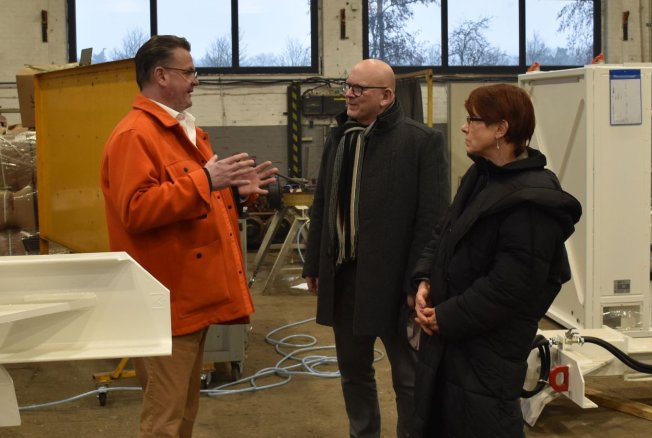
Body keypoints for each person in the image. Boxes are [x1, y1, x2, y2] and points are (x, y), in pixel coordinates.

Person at [100, 35, 278, 438]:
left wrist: (233, 191)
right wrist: (206, 179)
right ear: (161, 76)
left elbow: (189, 200)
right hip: (164, 302)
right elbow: (137, 210)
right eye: (189, 71)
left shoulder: (180, 132)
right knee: (164, 420)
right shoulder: (136, 136)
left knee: (182, 414)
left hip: (187, 299)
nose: (195, 80)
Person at [411, 83, 582, 437]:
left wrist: (446, 316)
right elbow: (442, 234)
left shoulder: (533, 202)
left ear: (501, 129)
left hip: (487, 352)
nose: (464, 127)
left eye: (473, 119)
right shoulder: (481, 175)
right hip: (451, 339)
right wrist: (425, 280)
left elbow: (511, 287)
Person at [301, 59, 449, 438]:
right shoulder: (340, 137)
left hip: (398, 285)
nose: (347, 94)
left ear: (385, 97)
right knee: (354, 374)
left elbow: (432, 220)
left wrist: (418, 280)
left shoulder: (421, 142)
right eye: (347, 86)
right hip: (346, 279)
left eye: (357, 88)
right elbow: (323, 204)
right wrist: (314, 263)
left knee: (408, 379)